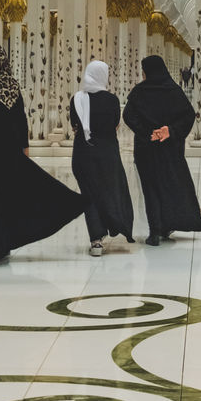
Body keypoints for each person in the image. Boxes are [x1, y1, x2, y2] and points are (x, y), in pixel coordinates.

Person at [0, 44, 87, 266]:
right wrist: (24, 148)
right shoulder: (12, 85)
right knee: (5, 197)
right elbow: (20, 120)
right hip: (7, 150)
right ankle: (3, 244)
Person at [123, 55, 201, 244]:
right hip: (170, 150)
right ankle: (167, 225)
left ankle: (155, 230)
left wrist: (148, 133)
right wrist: (170, 131)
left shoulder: (139, 92)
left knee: (150, 189)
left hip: (146, 150)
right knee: (168, 185)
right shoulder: (173, 90)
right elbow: (188, 115)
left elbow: (128, 116)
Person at [69, 59, 135, 256]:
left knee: (89, 195)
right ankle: (112, 223)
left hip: (83, 154)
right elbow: (115, 124)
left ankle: (96, 239)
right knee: (107, 191)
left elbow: (75, 126)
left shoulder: (77, 99)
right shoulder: (112, 100)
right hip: (107, 154)